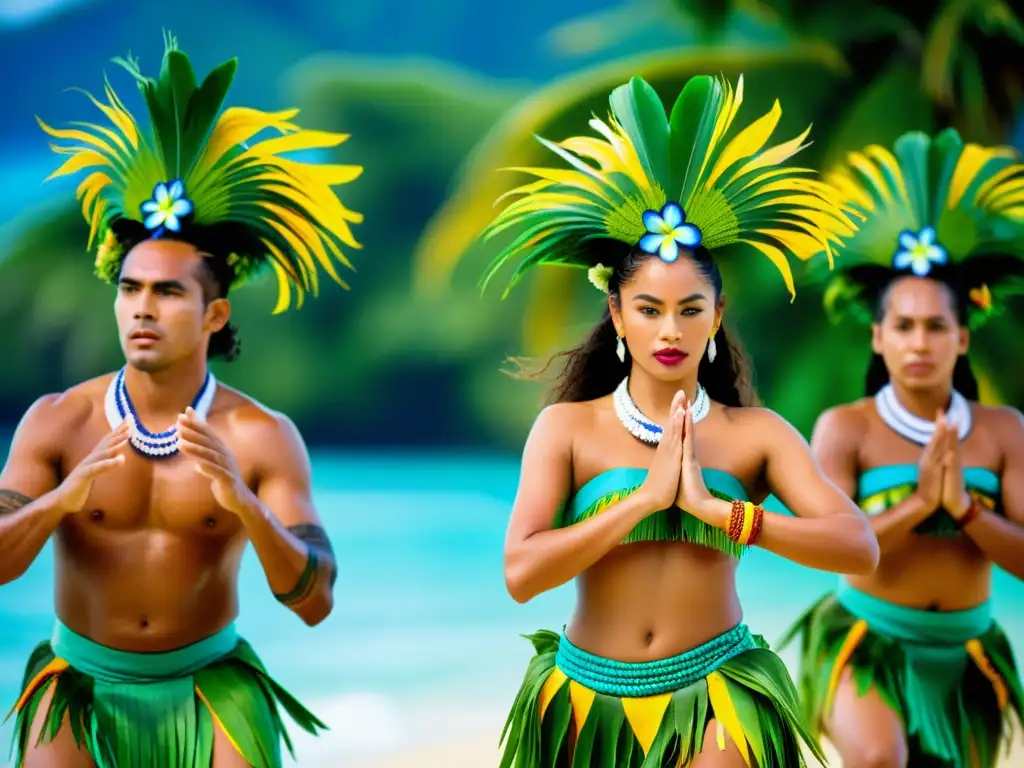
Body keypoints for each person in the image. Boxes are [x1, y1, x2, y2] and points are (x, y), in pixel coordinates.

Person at [469, 73, 880, 767]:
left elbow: (855, 546)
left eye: (691, 309)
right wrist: (647, 502)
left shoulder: (759, 435)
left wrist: (724, 515)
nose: (671, 329)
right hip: (584, 702)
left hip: (715, 689)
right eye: (650, 309)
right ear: (617, 315)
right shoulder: (567, 430)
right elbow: (521, 573)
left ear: (716, 317)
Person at [0, 33, 364, 768]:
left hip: (210, 686)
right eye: (130, 288)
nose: (142, 308)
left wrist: (242, 503)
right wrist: (62, 500)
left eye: (168, 292)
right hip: (79, 685)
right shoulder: (59, 421)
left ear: (215, 315)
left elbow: (317, 600)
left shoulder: (261, 436)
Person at [780, 128, 1024, 767]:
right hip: (868, 638)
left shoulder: (1003, 432)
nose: (920, 343)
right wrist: (921, 503)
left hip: (968, 650)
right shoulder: (845, 428)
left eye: (936, 326)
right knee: (881, 759)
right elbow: (832, 548)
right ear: (878, 338)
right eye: (904, 326)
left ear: (963, 339)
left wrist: (968, 511)